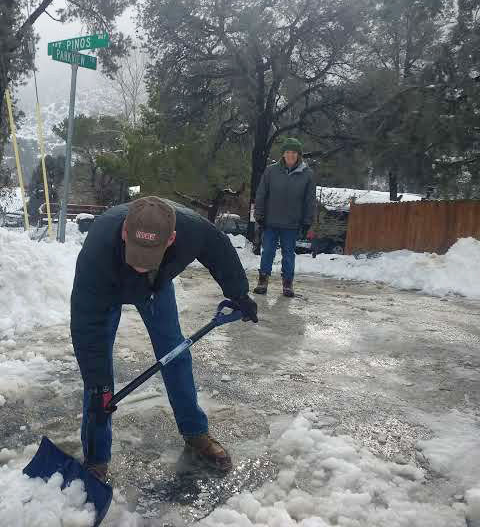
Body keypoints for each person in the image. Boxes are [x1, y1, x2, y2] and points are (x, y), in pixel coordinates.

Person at [70, 196, 258, 481]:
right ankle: (96, 459)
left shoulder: (192, 230)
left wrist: (239, 293)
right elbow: (88, 330)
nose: (139, 266)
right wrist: (98, 386)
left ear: (171, 239)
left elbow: (218, 249)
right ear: (125, 232)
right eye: (136, 254)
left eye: (148, 257)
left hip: (155, 288)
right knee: (98, 385)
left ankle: (195, 432)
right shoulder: (97, 252)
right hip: (107, 288)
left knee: (175, 354)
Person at [253, 137, 316, 298]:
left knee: (288, 255)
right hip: (271, 221)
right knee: (268, 252)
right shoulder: (271, 171)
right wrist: (259, 215)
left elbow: (309, 200)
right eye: (288, 152)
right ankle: (262, 281)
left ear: (299, 155)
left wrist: (307, 221)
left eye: (294, 152)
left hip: (292, 223)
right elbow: (261, 194)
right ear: (283, 154)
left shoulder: (307, 175)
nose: (290, 155)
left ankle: (287, 284)